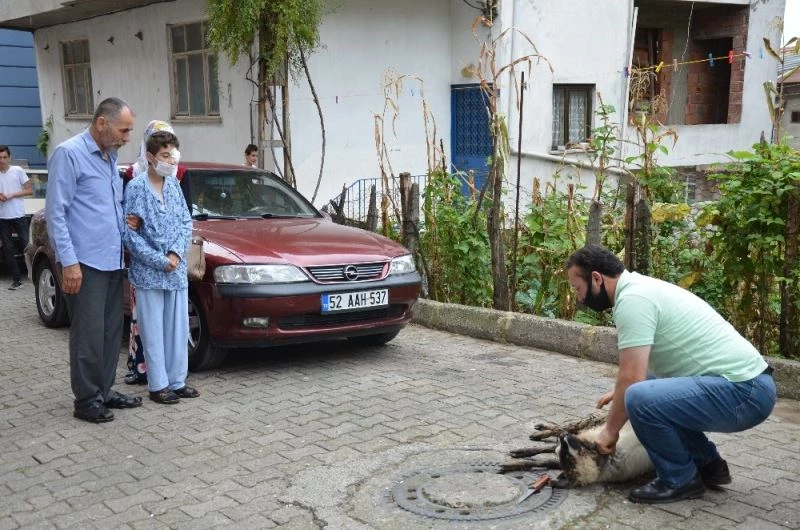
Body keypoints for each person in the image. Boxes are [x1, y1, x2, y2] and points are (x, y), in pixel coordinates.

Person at [564, 244, 776, 504]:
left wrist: (609, 432)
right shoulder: (640, 289)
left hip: (745, 392)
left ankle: (679, 479)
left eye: (577, 288)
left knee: (639, 398)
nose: (578, 297)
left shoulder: (633, 300)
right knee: (643, 392)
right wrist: (621, 391)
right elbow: (645, 373)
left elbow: (632, 378)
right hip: (750, 387)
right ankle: (709, 465)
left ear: (596, 278)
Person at [46, 97, 143, 423]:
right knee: (87, 334)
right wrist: (69, 262)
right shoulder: (69, 154)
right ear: (102, 122)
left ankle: (104, 389)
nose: (127, 137)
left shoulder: (108, 157)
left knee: (109, 332)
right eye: (124, 129)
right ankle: (86, 400)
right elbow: (56, 213)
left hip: (112, 260)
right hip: (85, 263)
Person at [123, 129, 198, 404]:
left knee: (178, 330)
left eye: (173, 155)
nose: (170, 160)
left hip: (175, 271)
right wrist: (160, 260)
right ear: (151, 157)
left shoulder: (174, 186)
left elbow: (185, 223)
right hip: (150, 272)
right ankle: (158, 385)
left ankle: (177, 381)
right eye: (165, 155)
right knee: (153, 330)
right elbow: (130, 235)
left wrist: (176, 254)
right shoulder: (136, 187)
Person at [0, 146, 33, 290]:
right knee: (8, 249)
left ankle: (35, 276)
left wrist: (12, 194)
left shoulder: (18, 171)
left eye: (4, 157)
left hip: (18, 215)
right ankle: (17, 280)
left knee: (27, 246)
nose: (2, 160)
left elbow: (29, 190)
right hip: (2, 217)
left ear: (9, 157)